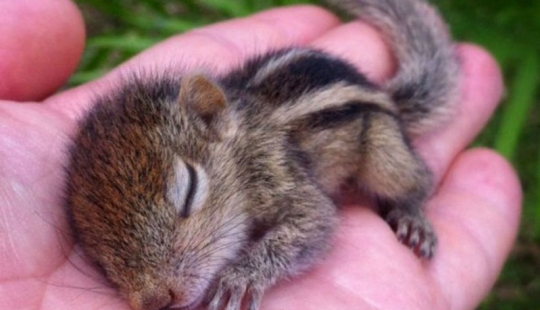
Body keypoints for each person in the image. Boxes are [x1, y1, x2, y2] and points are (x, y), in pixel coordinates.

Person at [0, 0, 521, 309]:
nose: (149, 296)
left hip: (357, 126)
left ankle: (408, 200)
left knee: (390, 170)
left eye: (186, 196)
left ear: (211, 119)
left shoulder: (256, 159)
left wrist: (255, 268)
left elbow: (313, 220)